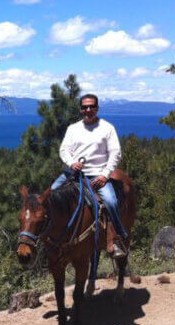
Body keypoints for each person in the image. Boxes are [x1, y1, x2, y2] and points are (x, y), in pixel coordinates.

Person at [51, 93, 128, 257]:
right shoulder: (73, 129)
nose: (88, 110)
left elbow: (116, 153)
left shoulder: (107, 128)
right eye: (85, 107)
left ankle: (117, 239)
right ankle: (50, 237)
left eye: (92, 106)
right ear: (81, 109)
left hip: (98, 175)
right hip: (74, 173)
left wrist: (105, 175)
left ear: (97, 108)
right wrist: (72, 162)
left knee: (111, 201)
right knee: (50, 194)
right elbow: (64, 150)